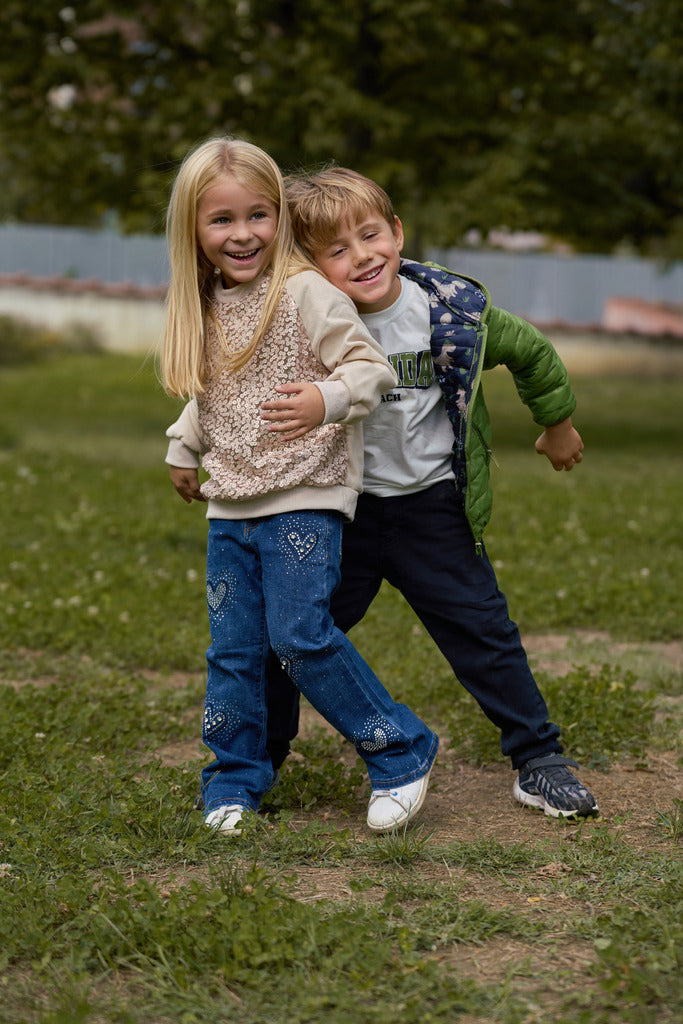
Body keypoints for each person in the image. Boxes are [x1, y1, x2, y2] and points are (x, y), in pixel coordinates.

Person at [260, 166, 599, 820]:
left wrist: (556, 425)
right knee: (286, 638)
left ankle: (538, 760)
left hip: (431, 510)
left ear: (396, 231)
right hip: (339, 515)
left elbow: (529, 352)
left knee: (484, 634)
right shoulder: (300, 323)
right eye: (336, 249)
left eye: (370, 234)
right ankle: (258, 764)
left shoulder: (450, 312)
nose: (362, 256)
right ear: (307, 265)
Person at [161, 139, 438, 837]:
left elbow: (370, 369)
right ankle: (234, 778)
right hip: (232, 504)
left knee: (300, 635)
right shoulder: (207, 303)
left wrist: (326, 399)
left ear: (280, 217)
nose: (243, 232)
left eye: (259, 214)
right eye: (221, 220)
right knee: (233, 651)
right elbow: (220, 389)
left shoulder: (304, 291)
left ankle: (399, 750)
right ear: (192, 231)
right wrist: (183, 444)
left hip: (304, 494)